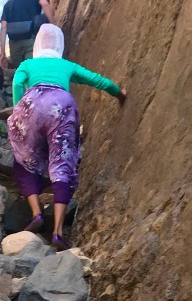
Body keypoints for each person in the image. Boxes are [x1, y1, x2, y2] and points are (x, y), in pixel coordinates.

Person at [7, 24, 127, 251]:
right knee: (63, 164)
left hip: (32, 105)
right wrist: (119, 93)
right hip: (62, 106)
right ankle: (58, 232)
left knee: (24, 158)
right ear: (59, 46)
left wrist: (17, 110)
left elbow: (16, 83)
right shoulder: (66, 65)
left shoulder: (28, 64)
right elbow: (97, 80)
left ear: (38, 44)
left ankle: (36, 213)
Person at [0, 0, 54, 70]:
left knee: (22, 72)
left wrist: (3, 53)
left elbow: (3, 27)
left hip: (14, 44)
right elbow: (44, 4)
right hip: (31, 39)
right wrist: (53, 25)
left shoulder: (8, 4)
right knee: (33, 70)